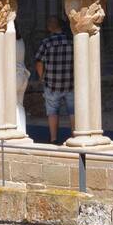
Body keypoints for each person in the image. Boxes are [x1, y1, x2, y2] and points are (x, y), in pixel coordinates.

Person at [34, 14, 74, 144]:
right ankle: (76, 135)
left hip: (52, 83)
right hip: (71, 82)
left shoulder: (47, 42)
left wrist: (41, 77)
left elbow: (39, 61)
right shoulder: (71, 40)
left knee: (52, 112)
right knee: (73, 111)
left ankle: (54, 138)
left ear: (49, 27)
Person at [14, 20, 30, 136]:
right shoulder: (21, 40)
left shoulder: (9, 40)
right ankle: (22, 130)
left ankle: (15, 132)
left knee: (12, 104)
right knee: (19, 104)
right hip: (23, 75)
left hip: (14, 75)